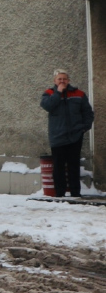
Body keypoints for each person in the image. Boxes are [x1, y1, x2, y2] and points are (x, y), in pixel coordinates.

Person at [40, 69, 94, 198]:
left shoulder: (79, 94)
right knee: (58, 166)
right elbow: (47, 106)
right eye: (59, 79)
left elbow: (87, 112)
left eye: (64, 79)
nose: (62, 81)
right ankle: (60, 193)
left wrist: (84, 127)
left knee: (73, 165)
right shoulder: (49, 94)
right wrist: (58, 93)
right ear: (55, 81)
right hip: (57, 136)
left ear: (68, 80)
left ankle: (75, 193)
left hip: (75, 135)